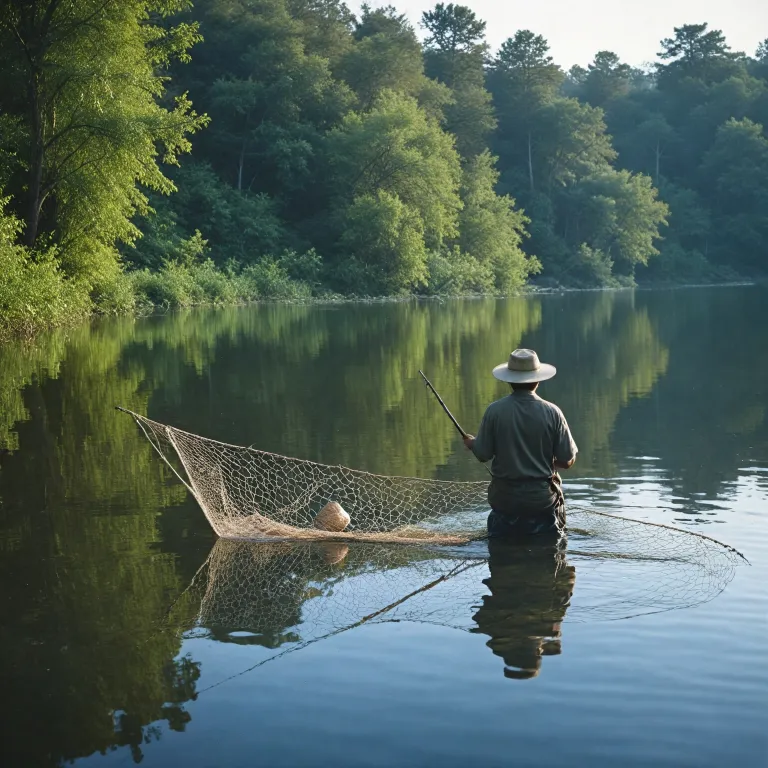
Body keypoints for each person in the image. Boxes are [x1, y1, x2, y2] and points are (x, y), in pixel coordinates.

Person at [463, 348, 578, 538]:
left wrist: (472, 443)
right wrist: (547, 461)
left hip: (505, 500)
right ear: (538, 379)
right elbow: (567, 461)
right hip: (542, 502)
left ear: (509, 380)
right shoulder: (553, 412)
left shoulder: (494, 411)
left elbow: (483, 454)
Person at [472, 537, 576, 680]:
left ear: (536, 651)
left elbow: (566, 584)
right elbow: (478, 615)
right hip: (509, 554)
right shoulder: (493, 629)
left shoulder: (549, 626)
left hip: (533, 552)